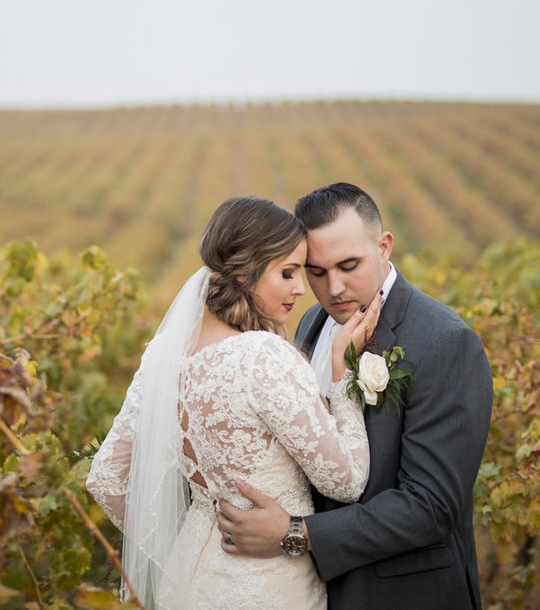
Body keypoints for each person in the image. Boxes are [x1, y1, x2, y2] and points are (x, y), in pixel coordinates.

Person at [86, 196, 382, 609]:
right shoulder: (261, 355)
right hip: (269, 587)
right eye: (288, 272)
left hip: (187, 581)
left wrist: (185, 539)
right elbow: (346, 483)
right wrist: (343, 374)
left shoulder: (163, 355)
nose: (301, 288)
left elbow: (104, 478)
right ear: (247, 271)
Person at [216, 183, 494, 609]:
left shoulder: (445, 342)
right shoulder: (310, 321)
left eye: (349, 265)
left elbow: (432, 505)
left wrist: (296, 533)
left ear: (384, 247)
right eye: (316, 272)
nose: (334, 288)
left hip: (402, 595)